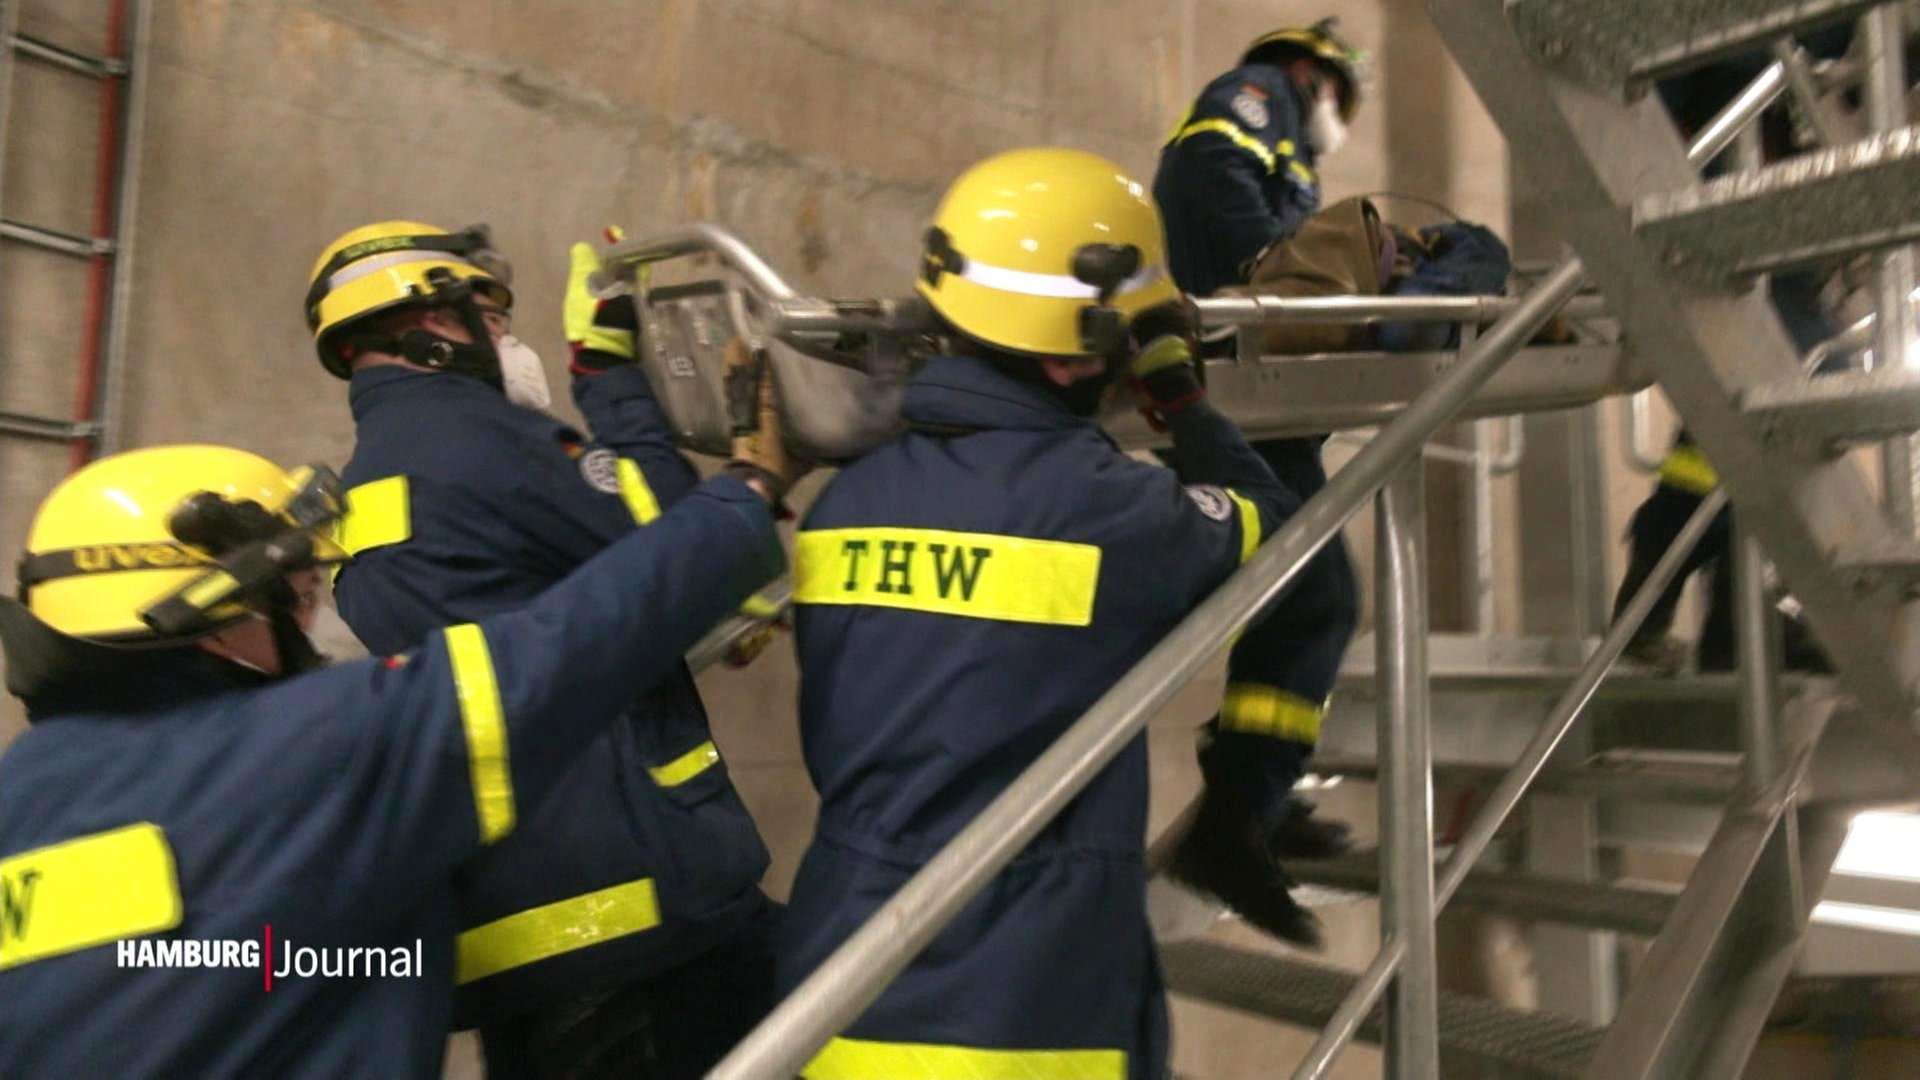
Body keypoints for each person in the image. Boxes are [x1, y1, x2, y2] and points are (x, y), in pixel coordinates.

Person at [776, 147, 1348, 1080]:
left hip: (838, 982)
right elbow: (1285, 539)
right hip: (1028, 1009)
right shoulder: (1111, 515)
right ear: (1069, 352)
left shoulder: (848, 499)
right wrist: (1183, 399)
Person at [0, 426, 795, 1076]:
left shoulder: (19, 799)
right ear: (211, 622)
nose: (309, 624)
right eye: (295, 600)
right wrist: (745, 494)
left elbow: (249, 960)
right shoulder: (307, 752)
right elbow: (566, 649)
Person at [310, 222, 783, 1076]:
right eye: (490, 318)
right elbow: (676, 542)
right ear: (432, 326)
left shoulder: (370, 480)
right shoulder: (483, 441)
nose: (505, 340)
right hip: (640, 913)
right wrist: (608, 381)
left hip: (517, 921)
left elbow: (542, 605)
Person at [1150, 19, 1369, 893]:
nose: (1335, 115)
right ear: (1313, 72)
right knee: (1317, 600)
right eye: (1338, 96)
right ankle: (1240, 812)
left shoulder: (1285, 134)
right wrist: (1271, 270)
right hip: (1245, 394)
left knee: (1302, 607)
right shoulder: (1262, 96)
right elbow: (1202, 173)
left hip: (1258, 395)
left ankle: (1254, 802)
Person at [1612, 31, 1852, 674]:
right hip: (1731, 206)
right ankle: (1702, 597)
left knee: (1770, 403)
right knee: (1777, 397)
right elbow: (1648, 102)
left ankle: (1717, 607)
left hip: (1783, 207)